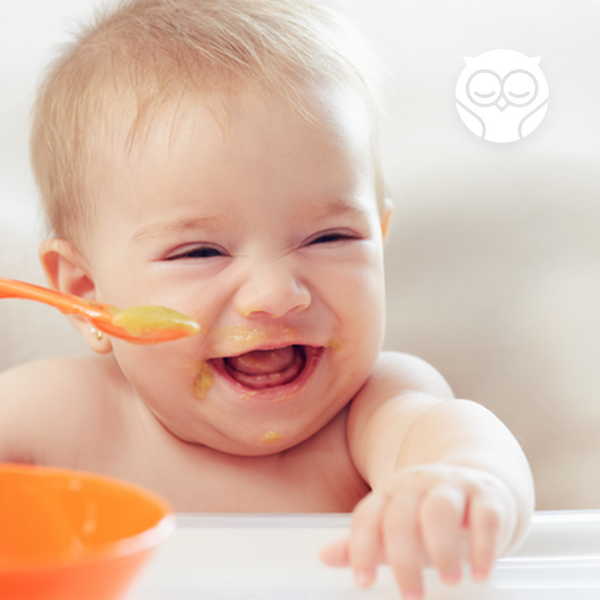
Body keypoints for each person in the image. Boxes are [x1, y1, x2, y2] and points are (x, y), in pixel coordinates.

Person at [0, 0, 534, 597]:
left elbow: (454, 435)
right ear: (86, 292)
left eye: (331, 237)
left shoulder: (371, 411)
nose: (277, 294)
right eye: (200, 252)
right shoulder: (64, 418)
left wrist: (463, 484)